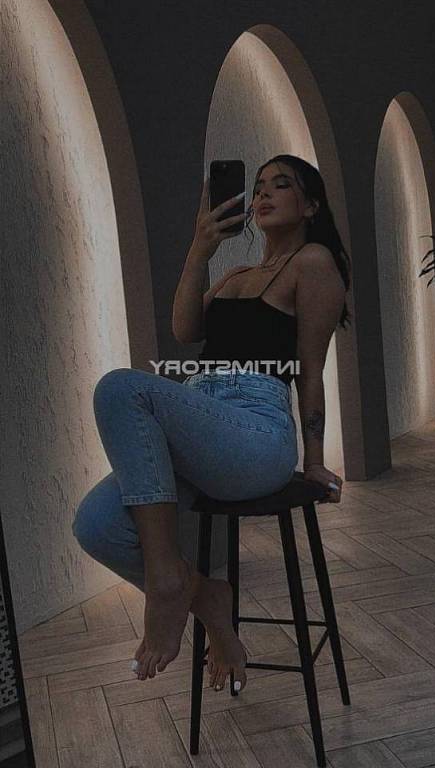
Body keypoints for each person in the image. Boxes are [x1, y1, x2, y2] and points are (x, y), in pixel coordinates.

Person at [72, 154, 351, 695]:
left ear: (310, 206)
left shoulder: (312, 262)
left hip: (257, 433)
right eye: (259, 186)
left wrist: (314, 460)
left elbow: (311, 369)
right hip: (207, 426)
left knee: (120, 387)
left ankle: (165, 580)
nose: (264, 194)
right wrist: (201, 246)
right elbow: (184, 329)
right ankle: (206, 600)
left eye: (281, 185)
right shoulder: (235, 275)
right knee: (96, 526)